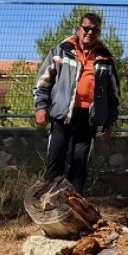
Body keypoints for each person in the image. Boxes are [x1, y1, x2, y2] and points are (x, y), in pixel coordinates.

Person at [34, 13, 119, 194]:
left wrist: (110, 120)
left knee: (80, 162)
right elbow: (43, 81)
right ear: (78, 29)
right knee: (55, 159)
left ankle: (73, 206)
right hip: (62, 114)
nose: (89, 33)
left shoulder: (105, 58)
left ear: (99, 32)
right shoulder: (61, 51)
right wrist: (41, 106)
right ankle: (47, 203)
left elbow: (114, 93)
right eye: (86, 28)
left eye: (95, 30)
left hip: (88, 118)